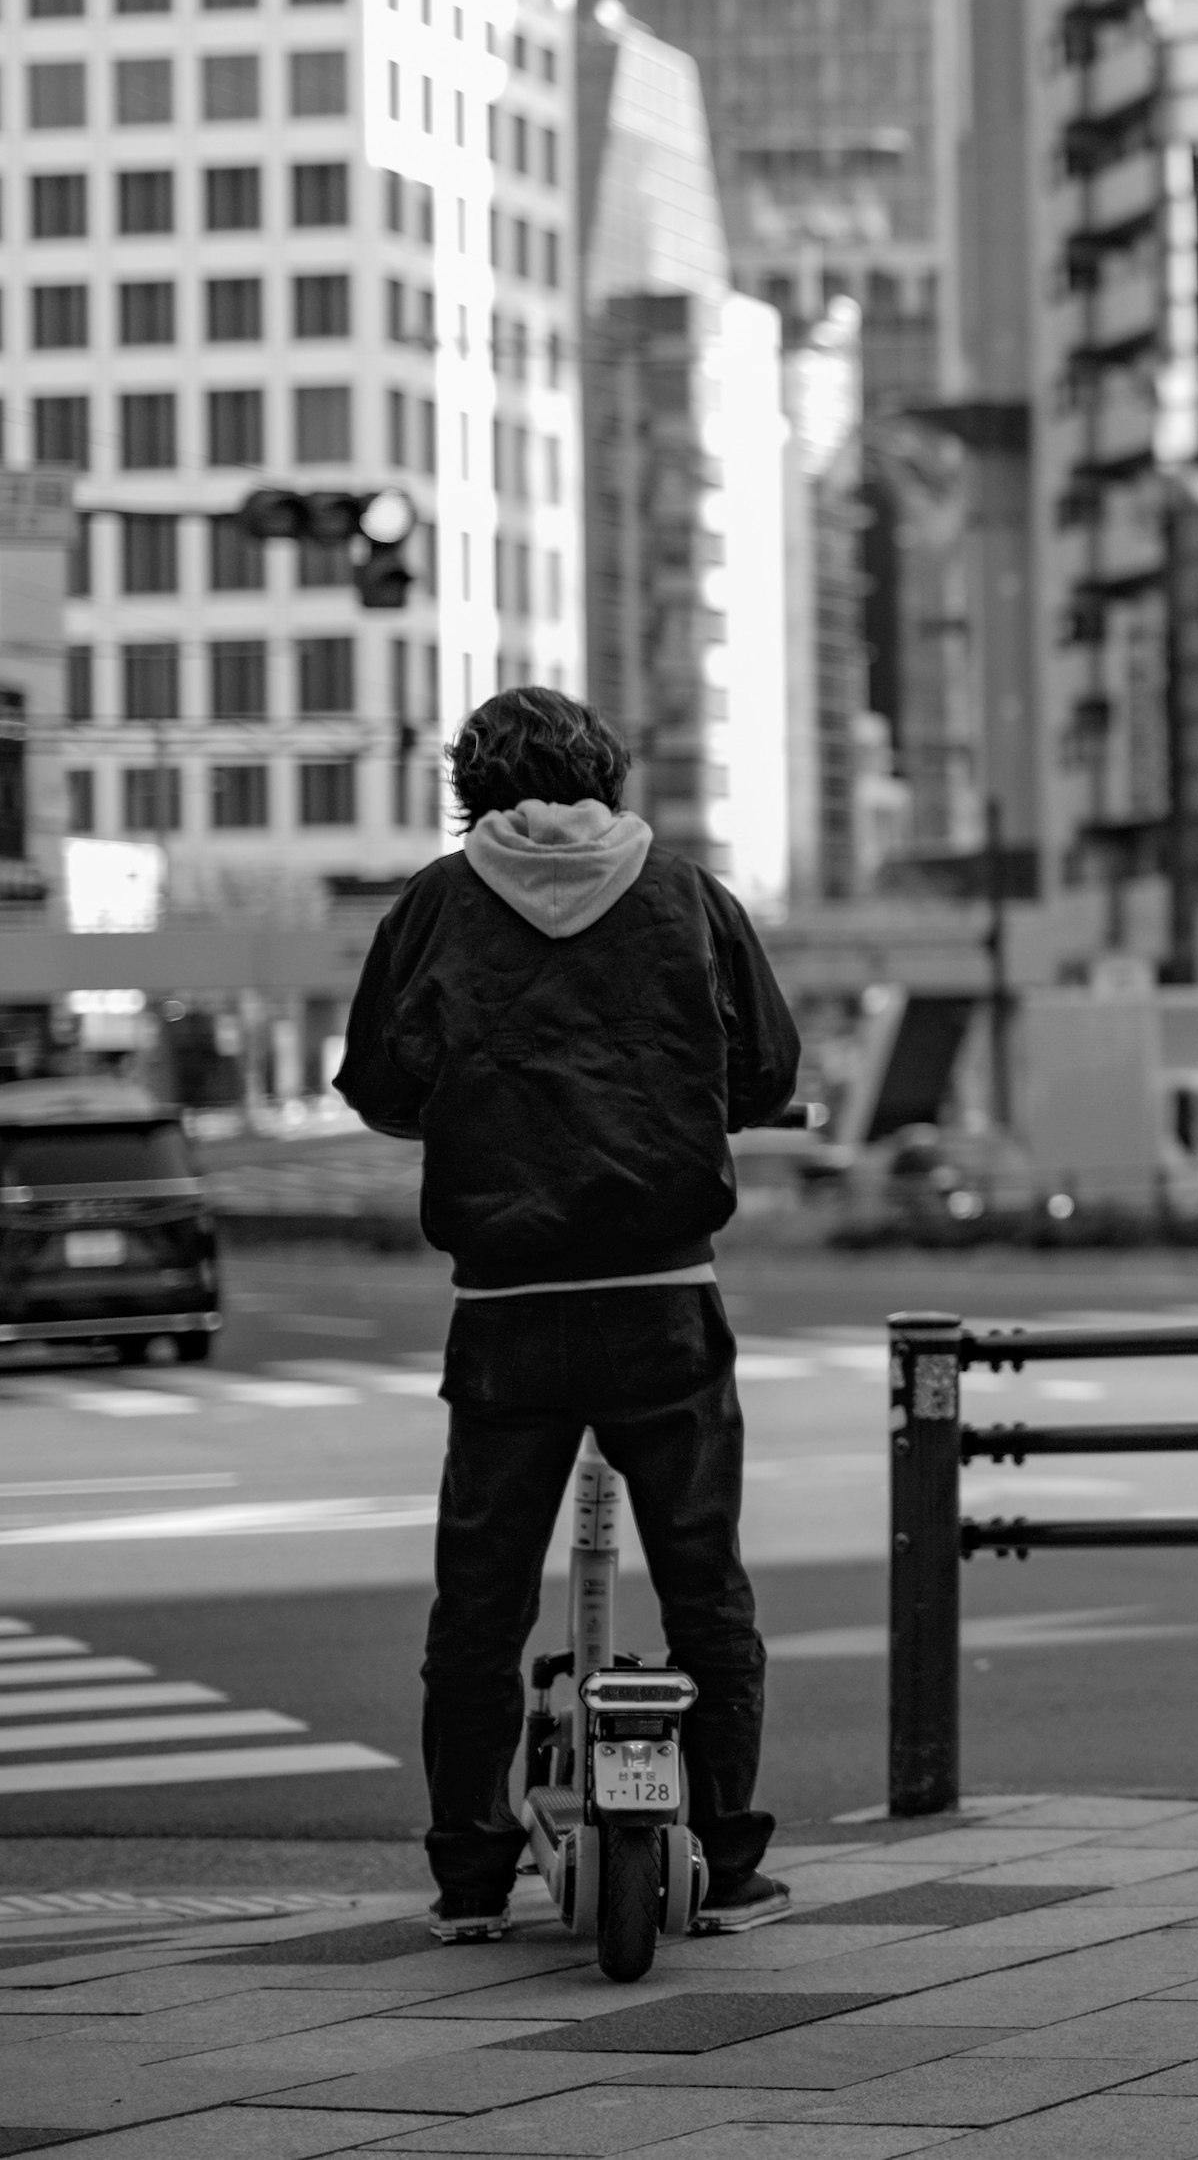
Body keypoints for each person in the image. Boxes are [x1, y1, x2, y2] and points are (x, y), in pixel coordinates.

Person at [335, 688, 802, 1944]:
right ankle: (732, 1858)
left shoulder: (434, 904)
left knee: (480, 1605)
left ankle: (471, 1878)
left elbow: (380, 1082)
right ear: (607, 771)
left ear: (469, 786)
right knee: (705, 1584)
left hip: (507, 1306)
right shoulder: (690, 894)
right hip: (661, 1295)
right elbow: (767, 1071)